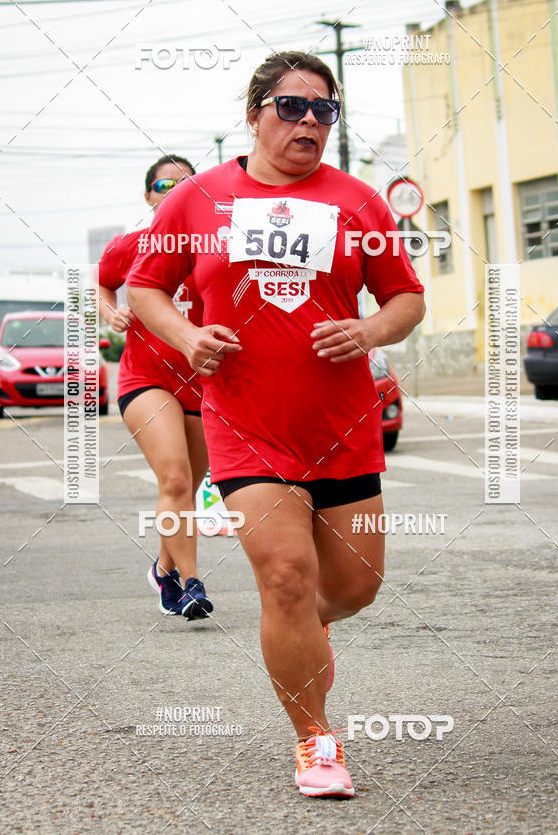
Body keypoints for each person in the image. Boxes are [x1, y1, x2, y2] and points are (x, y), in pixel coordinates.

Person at [127, 52, 425, 798]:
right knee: (287, 578)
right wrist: (187, 337)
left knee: (354, 588)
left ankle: (298, 635)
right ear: (255, 114)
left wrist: (369, 331)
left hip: (341, 427)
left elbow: (406, 298)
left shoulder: (358, 201)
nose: (309, 122)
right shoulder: (197, 198)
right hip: (246, 426)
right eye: (292, 107)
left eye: (324, 110)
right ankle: (315, 742)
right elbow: (144, 289)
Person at [96, 154, 213, 620]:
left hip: (203, 384)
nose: (176, 191)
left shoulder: (215, 247)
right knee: (176, 478)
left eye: (187, 184)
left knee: (186, 487)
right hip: (146, 379)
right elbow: (102, 284)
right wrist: (112, 313)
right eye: (165, 185)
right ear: (148, 195)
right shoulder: (132, 246)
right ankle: (191, 584)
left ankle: (164, 569)